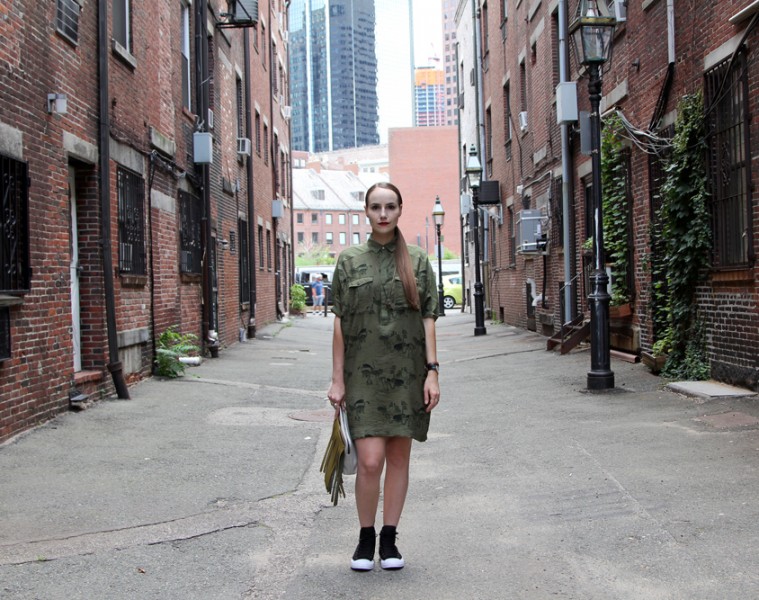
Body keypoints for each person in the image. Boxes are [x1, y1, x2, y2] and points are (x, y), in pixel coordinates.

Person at [327, 182, 440, 571]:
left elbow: (428, 319)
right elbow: (339, 323)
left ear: (400, 209)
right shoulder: (349, 260)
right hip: (362, 376)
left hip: (407, 374)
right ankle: (365, 537)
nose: (383, 214)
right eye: (376, 207)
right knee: (371, 461)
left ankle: (389, 540)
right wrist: (337, 379)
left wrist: (432, 372)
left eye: (390, 206)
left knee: (398, 458)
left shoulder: (418, 261)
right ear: (366, 211)